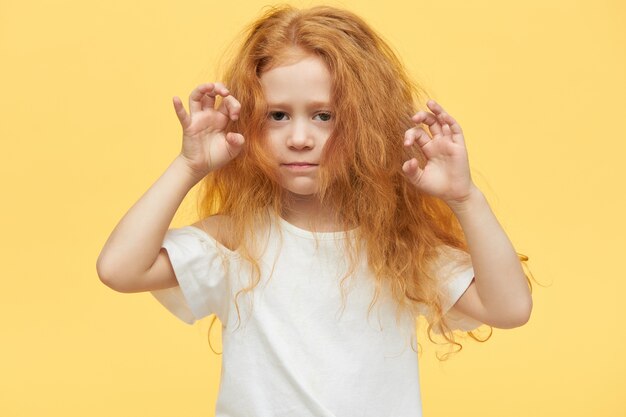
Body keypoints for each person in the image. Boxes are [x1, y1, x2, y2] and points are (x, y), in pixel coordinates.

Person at [97, 4, 533, 416]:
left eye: (324, 116)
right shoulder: (238, 239)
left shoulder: (397, 245)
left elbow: (510, 308)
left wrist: (464, 198)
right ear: (247, 122)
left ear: (368, 124)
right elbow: (119, 268)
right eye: (278, 116)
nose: (300, 138)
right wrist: (188, 166)